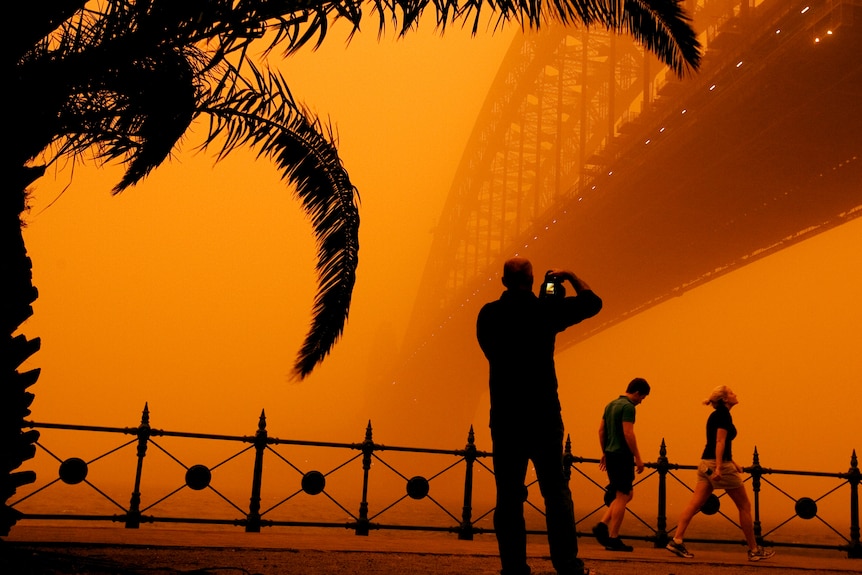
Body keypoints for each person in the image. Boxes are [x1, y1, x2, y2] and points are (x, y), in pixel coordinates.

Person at [476, 257, 602, 575]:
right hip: (543, 413)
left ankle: (514, 567)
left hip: (505, 416)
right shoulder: (546, 312)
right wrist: (571, 274)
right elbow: (592, 303)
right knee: (555, 490)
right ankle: (566, 564)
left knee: (508, 494)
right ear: (533, 280)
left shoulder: (488, 314)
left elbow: (490, 351)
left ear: (504, 281)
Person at [665, 385, 775, 562]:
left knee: (694, 504)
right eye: (732, 393)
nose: (736, 394)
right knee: (745, 506)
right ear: (725, 399)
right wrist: (719, 468)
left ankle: (677, 540)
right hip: (719, 466)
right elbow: (719, 441)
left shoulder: (716, 415)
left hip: (704, 463)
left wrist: (733, 462)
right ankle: (754, 550)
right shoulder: (724, 415)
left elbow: (717, 443)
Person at [592, 377, 650, 552]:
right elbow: (628, 433)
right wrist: (638, 458)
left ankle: (603, 525)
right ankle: (613, 537)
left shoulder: (610, 405)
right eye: (642, 397)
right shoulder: (628, 407)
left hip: (611, 453)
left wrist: (604, 452)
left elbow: (601, 430)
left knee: (626, 493)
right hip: (622, 455)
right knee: (623, 495)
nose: (641, 402)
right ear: (637, 393)